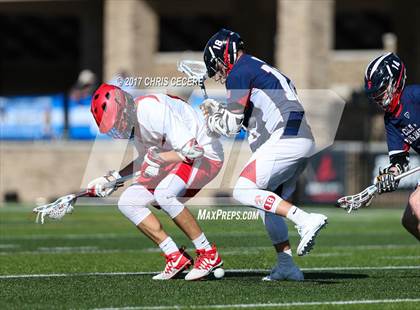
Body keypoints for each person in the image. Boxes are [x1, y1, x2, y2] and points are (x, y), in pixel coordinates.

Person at [201, 29, 328, 281]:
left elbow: (230, 126)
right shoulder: (259, 69)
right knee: (268, 206)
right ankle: (286, 265)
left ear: (227, 53)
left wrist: (212, 117)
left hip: (287, 137)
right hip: (300, 136)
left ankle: (304, 219)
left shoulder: (239, 71)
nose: (219, 71)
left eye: (217, 64)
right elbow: (251, 117)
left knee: (242, 190)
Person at [88, 83, 224, 280]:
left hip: (206, 155)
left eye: (116, 121)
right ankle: (174, 255)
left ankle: (208, 253)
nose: (117, 127)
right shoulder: (137, 120)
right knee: (128, 201)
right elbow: (146, 159)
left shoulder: (151, 110)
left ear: (123, 105)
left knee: (164, 193)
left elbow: (194, 151)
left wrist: (159, 159)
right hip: (181, 157)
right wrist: (113, 179)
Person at [364, 52, 420, 241]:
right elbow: (399, 160)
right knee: (409, 221)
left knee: (416, 202)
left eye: (380, 90)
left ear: (395, 82)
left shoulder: (415, 96)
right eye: (374, 94)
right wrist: (391, 174)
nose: (378, 97)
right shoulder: (391, 120)